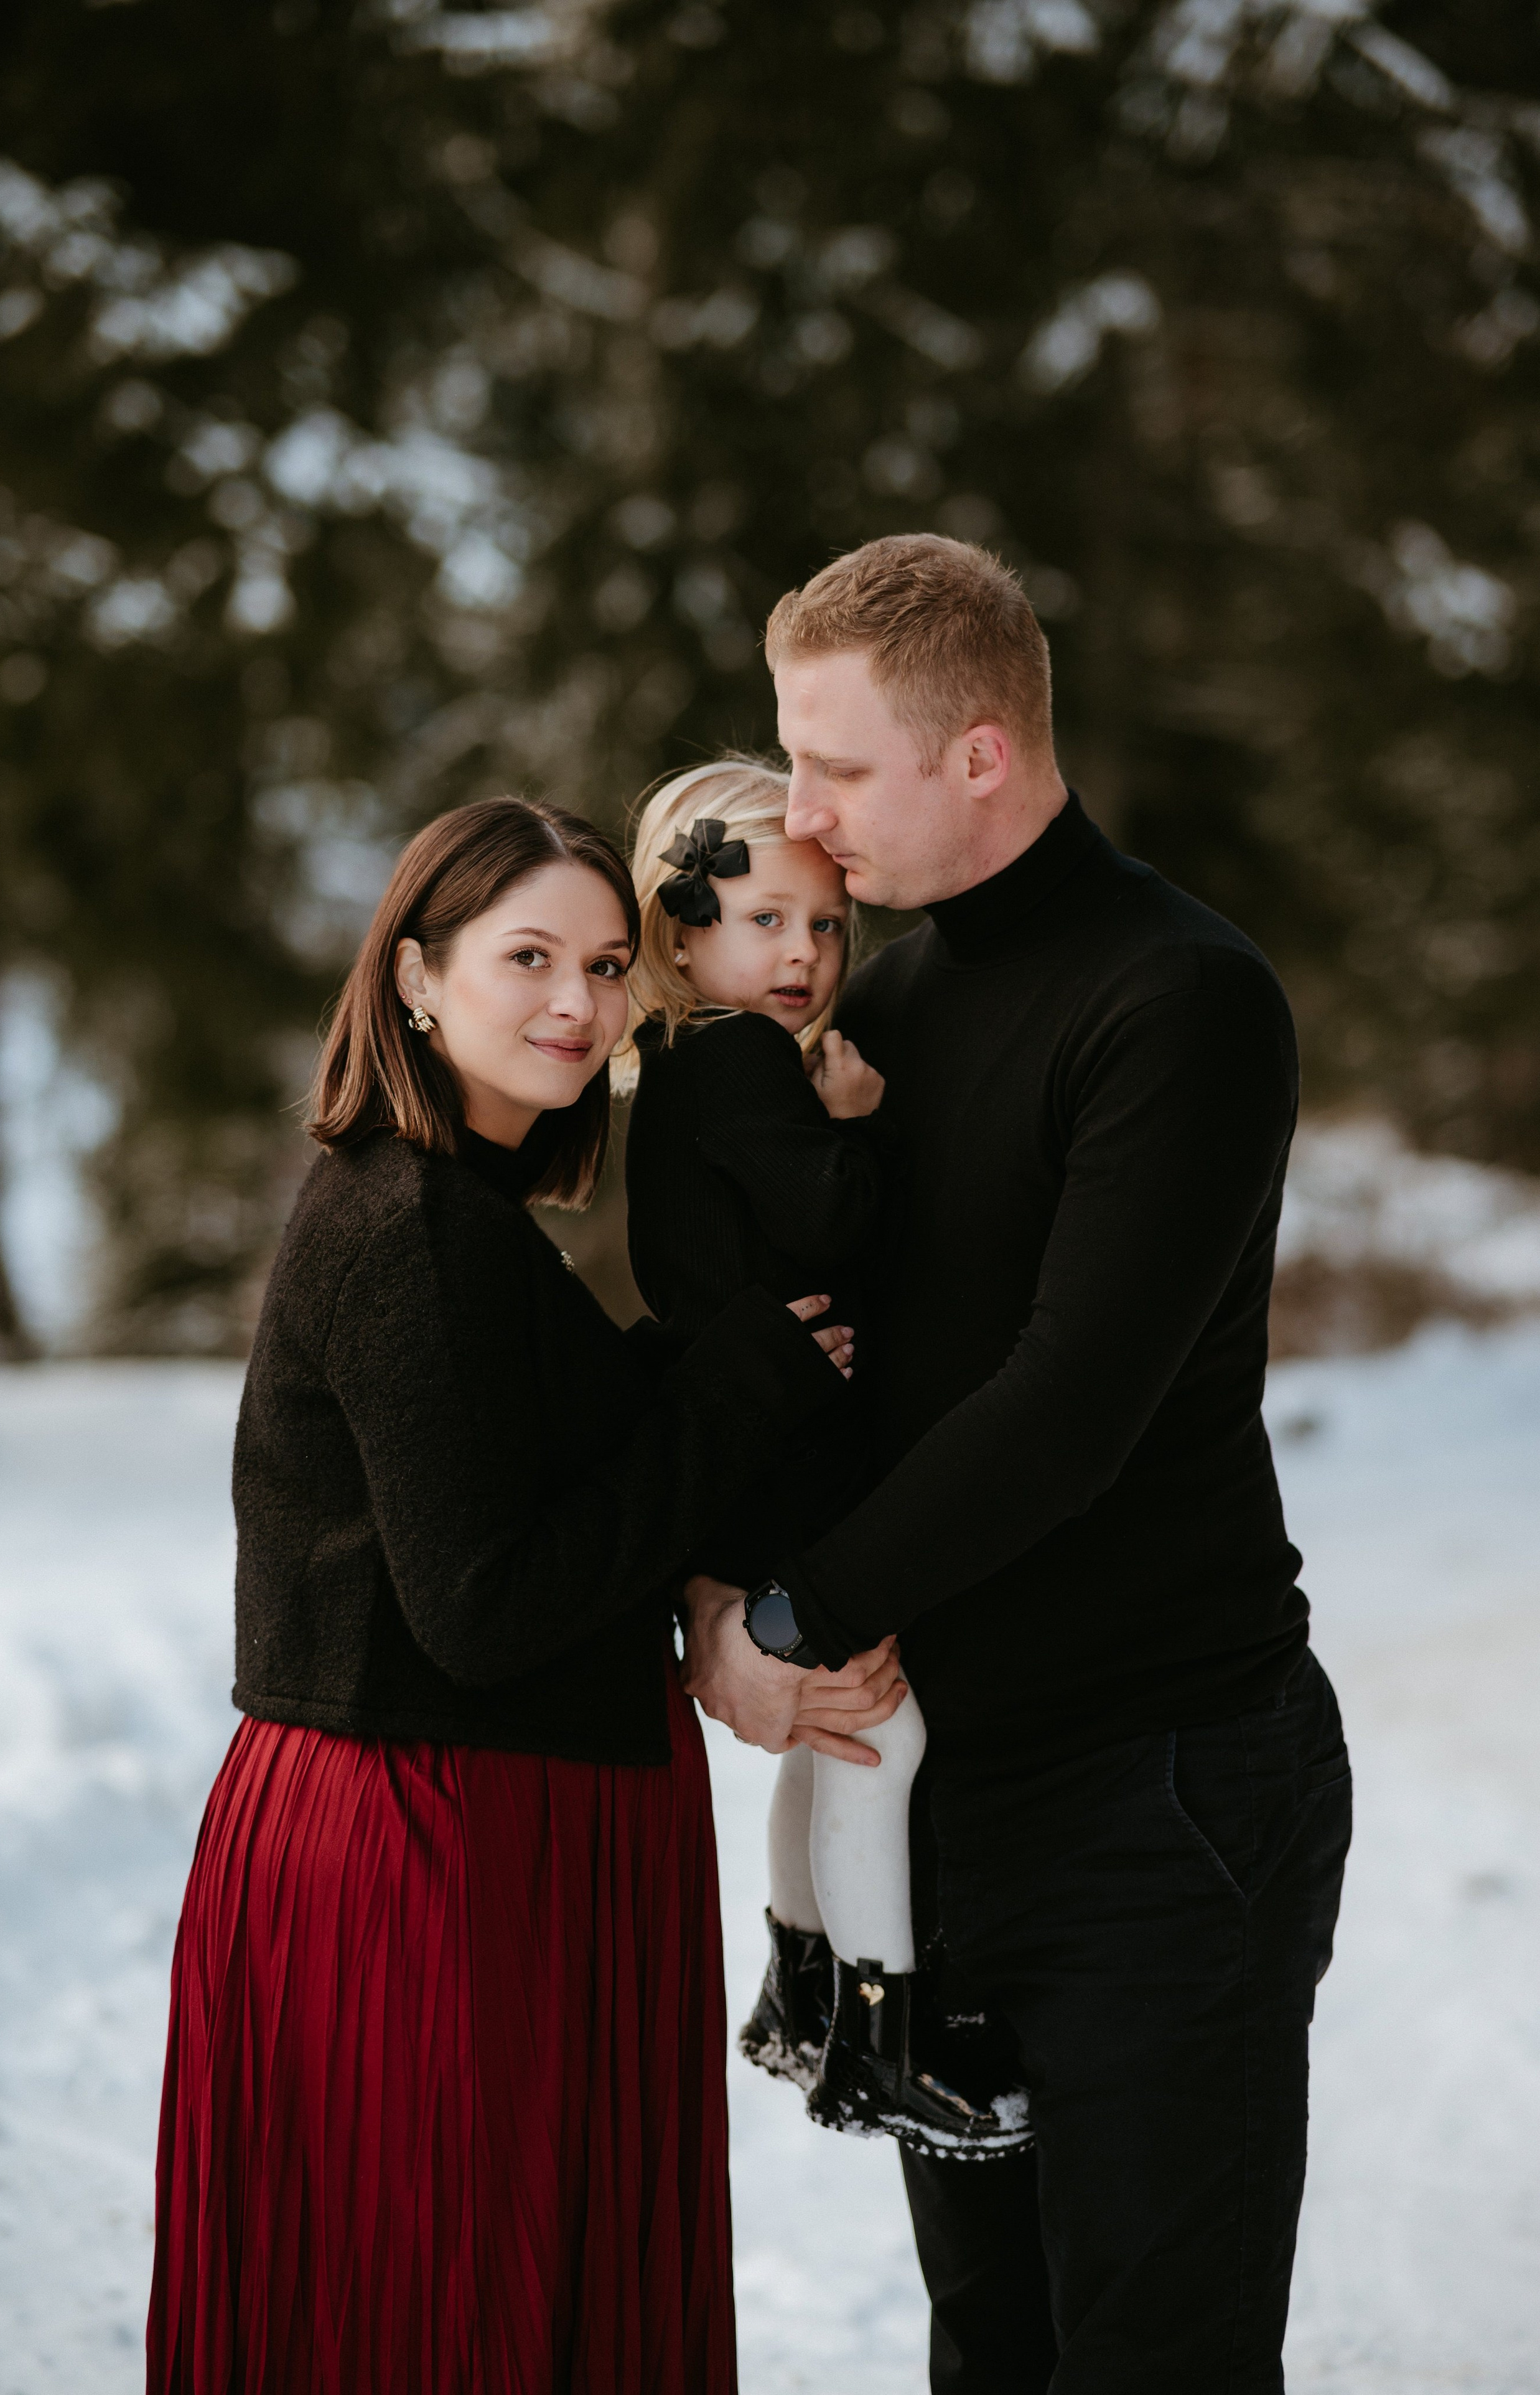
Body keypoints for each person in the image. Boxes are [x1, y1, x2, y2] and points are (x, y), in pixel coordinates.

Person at [682, 535, 1352, 2392]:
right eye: (788, 757)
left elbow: (1068, 1409)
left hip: (1165, 1797)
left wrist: (801, 1621)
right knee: (991, 2339)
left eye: (837, 768)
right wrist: (717, 1578)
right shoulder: (882, 1010)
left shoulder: (1182, 1002)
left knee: (1155, 2353)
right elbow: (823, 1366)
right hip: (955, 1794)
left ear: (982, 752)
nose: (800, 820)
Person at [146, 793, 903, 2395]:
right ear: (416, 977)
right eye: (528, 957)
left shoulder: (464, 1212)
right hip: (433, 1862)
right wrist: (738, 1389)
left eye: (609, 964)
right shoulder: (411, 1224)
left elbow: (530, 1464)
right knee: (448, 2319)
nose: (577, 1002)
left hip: (492, 1835)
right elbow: (483, 1600)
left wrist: (693, 1398)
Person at [618, 757, 1026, 2159]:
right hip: (787, 1446)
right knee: (876, 1728)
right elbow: (838, 1221)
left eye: (824, 926)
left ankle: (798, 1991)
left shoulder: (690, 1066)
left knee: (823, 1724)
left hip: (755, 1439)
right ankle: (876, 2040)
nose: (799, 954)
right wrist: (863, 1128)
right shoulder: (736, 1062)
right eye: (761, 922)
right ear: (680, 938)